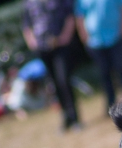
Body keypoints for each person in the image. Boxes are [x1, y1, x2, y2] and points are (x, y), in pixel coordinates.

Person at [22, 0, 81, 131]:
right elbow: (26, 25)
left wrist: (65, 36)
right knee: (53, 83)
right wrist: (32, 42)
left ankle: (75, 118)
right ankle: (65, 118)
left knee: (64, 80)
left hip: (60, 46)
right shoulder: (29, 3)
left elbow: (70, 16)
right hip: (42, 48)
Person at [75, 0, 122, 112]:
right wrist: (85, 38)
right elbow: (80, 17)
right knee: (105, 75)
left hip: (118, 37)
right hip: (95, 42)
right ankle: (111, 106)